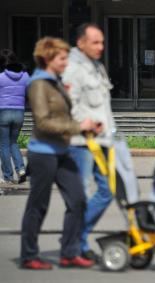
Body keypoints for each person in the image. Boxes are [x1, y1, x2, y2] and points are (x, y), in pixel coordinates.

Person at [20, 37, 98, 269]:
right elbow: (43, 123)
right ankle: (29, 256)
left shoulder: (55, 82)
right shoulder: (38, 85)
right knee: (38, 205)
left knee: (78, 200)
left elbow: (62, 117)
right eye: (62, 58)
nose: (66, 62)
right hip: (43, 154)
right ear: (47, 58)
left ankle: (69, 252)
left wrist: (89, 127)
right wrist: (78, 127)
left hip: (63, 151)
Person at [62, 23, 116, 261]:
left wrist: (113, 135)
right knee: (80, 196)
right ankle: (75, 245)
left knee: (108, 191)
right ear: (80, 42)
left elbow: (103, 106)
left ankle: (76, 238)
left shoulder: (96, 67)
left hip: (101, 142)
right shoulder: (72, 68)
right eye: (95, 42)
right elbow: (67, 105)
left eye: (102, 42)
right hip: (80, 144)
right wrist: (85, 125)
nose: (101, 47)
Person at [0, 49, 28, 184]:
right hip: (20, 112)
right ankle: (21, 169)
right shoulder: (25, 76)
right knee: (13, 142)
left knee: (4, 145)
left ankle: (8, 176)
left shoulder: (0, 77)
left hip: (3, 112)